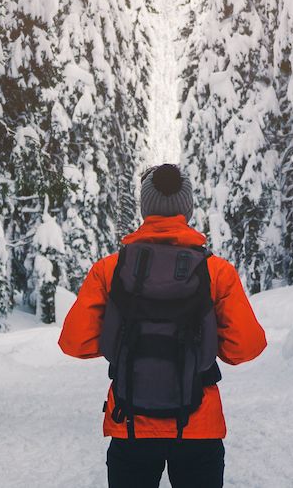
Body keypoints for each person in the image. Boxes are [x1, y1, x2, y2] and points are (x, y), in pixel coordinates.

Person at [59, 163, 267, 488]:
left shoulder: (110, 269)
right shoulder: (216, 271)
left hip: (130, 424)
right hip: (198, 426)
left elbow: (74, 343)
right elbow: (245, 348)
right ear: (187, 208)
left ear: (145, 208)